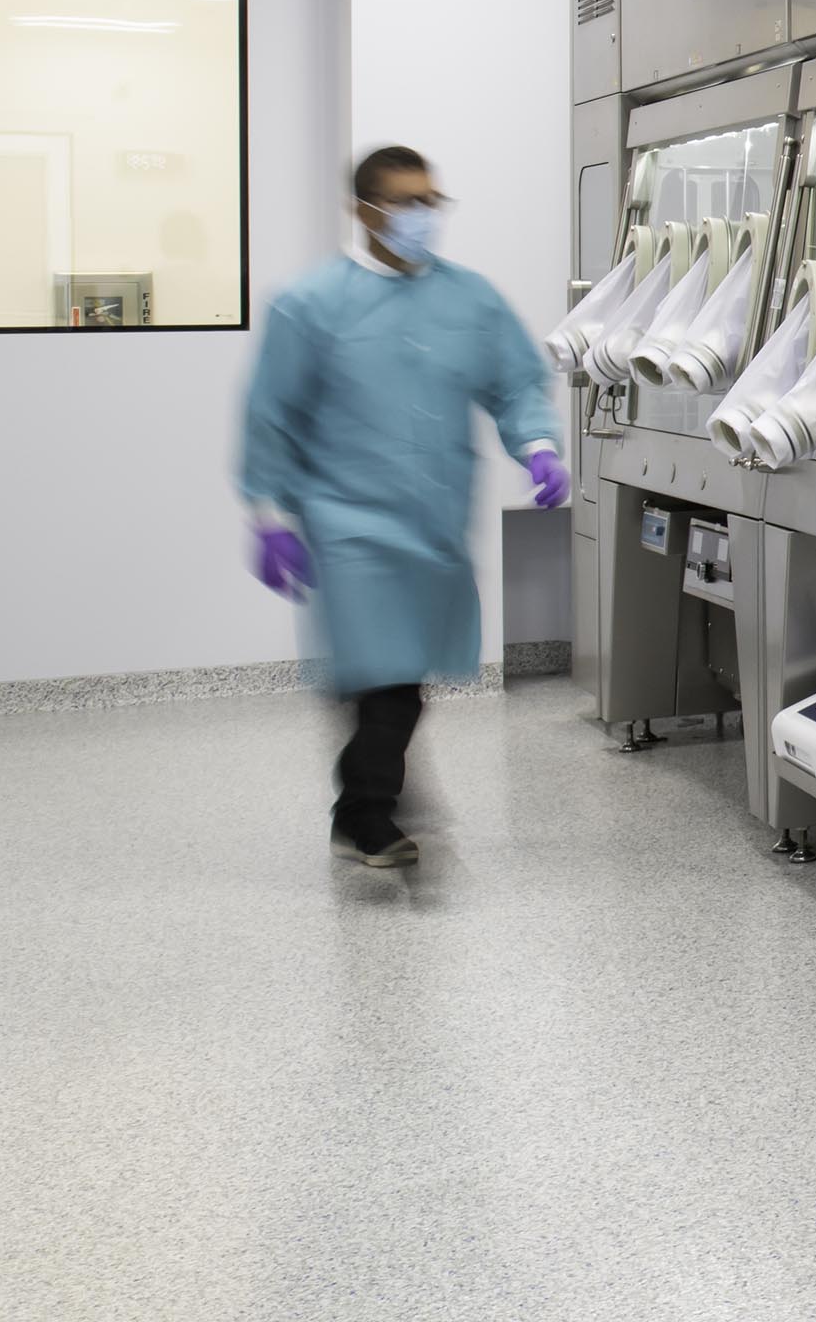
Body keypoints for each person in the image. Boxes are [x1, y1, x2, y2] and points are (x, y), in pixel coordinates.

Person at [240, 146, 569, 867]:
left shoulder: (470, 299)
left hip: (434, 522)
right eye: (404, 202)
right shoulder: (313, 305)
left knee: (404, 675)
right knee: (387, 678)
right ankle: (364, 812)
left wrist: (538, 444)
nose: (421, 217)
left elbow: (514, 384)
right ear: (364, 210)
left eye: (430, 201)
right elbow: (273, 414)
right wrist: (268, 514)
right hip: (347, 520)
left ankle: (377, 785)